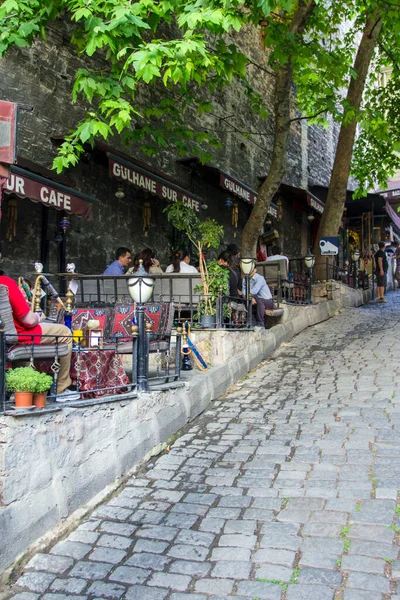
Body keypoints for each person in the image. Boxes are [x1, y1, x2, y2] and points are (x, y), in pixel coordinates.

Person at [0, 275, 78, 402]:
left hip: (3, 336)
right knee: (65, 332)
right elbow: (29, 320)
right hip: (21, 334)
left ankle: (20, 389)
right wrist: (38, 317)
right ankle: (61, 388)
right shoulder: (5, 282)